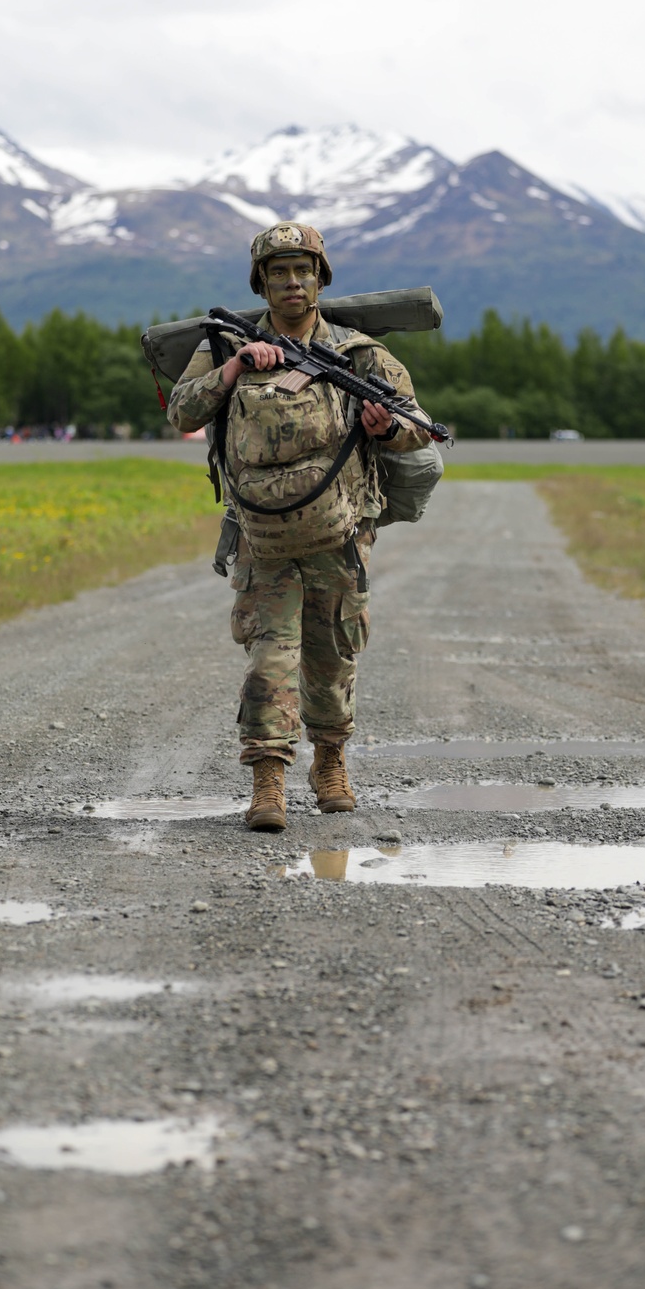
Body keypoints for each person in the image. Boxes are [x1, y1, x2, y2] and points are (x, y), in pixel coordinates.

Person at [168, 222, 431, 832]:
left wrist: (386, 429)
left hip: (341, 533)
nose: (292, 283)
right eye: (279, 272)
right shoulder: (225, 344)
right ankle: (268, 782)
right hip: (262, 536)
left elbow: (419, 423)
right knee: (269, 659)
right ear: (261, 282)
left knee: (333, 654)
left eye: (303, 271)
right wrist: (234, 366)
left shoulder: (357, 352)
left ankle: (331, 764)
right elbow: (183, 410)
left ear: (321, 277)